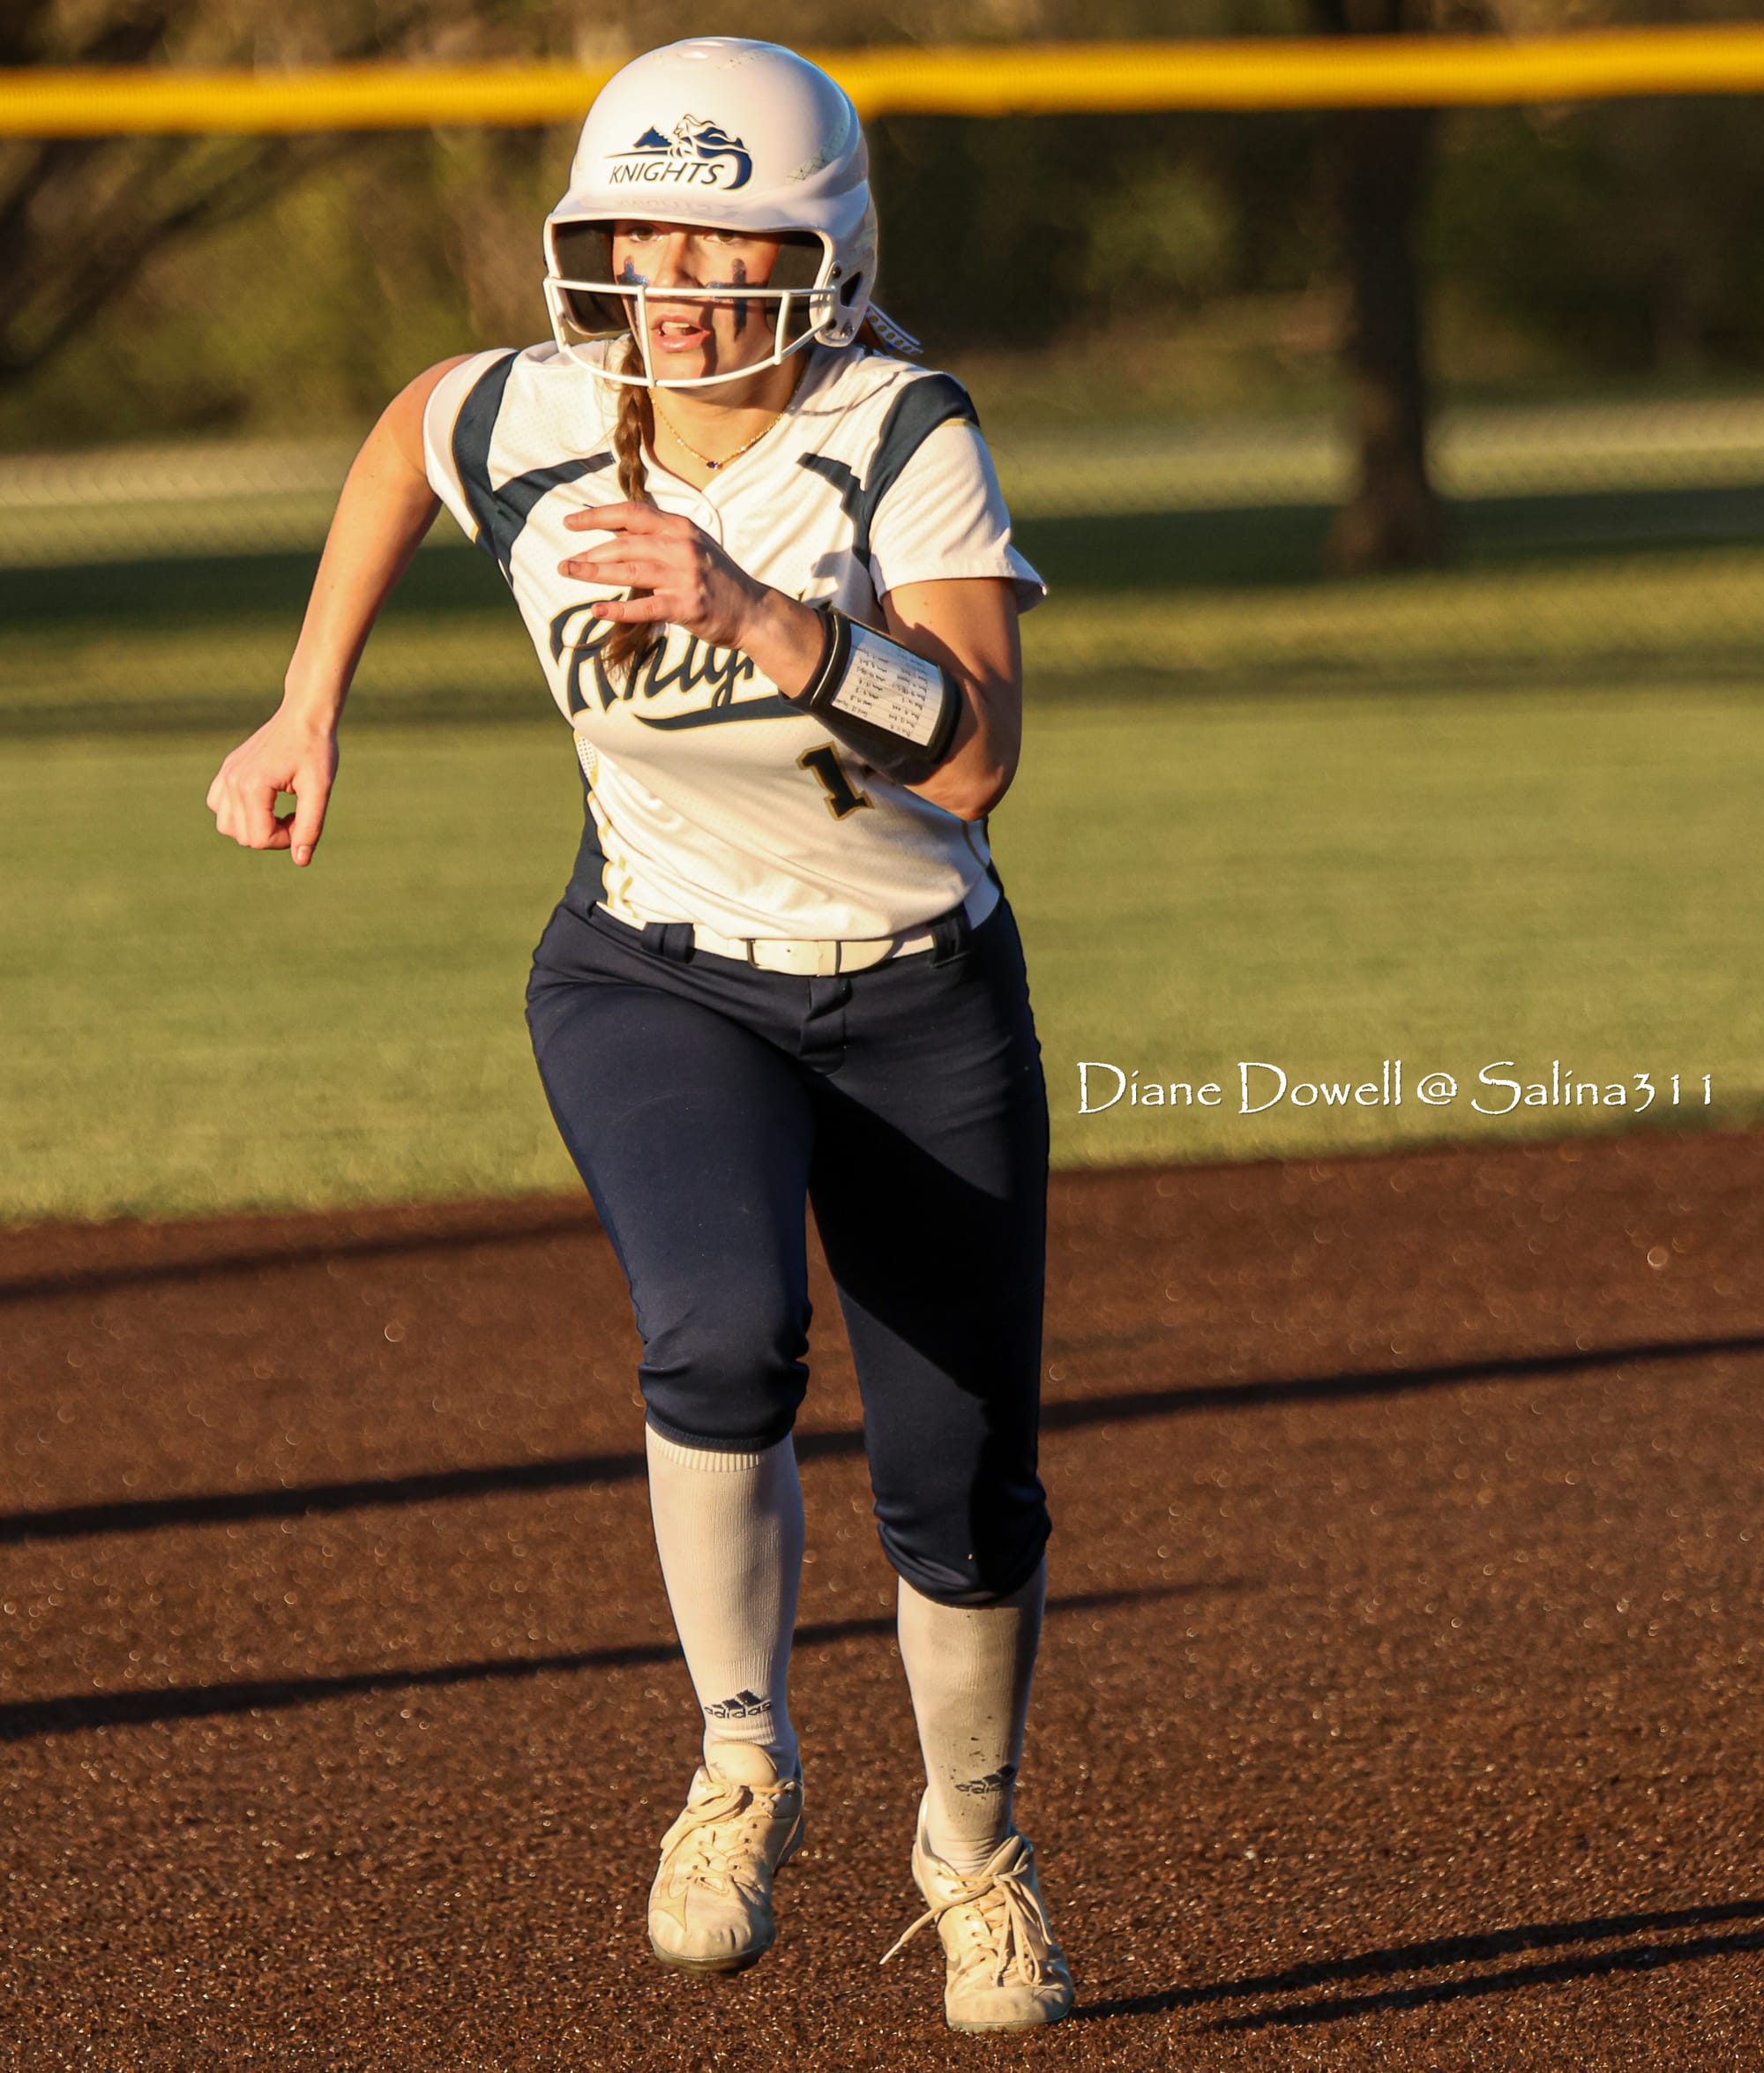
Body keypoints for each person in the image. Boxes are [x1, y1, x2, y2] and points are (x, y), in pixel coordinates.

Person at [205, 36, 1072, 2035]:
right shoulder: (531, 409)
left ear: (822, 253)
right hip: (655, 973)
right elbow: (406, 434)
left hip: (917, 998)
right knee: (720, 1333)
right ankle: (739, 1761)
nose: (669, 282)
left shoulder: (894, 426)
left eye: (718, 239)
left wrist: (763, 613)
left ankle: (971, 1849)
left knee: (961, 1488)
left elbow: (976, 755)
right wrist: (307, 698)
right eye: (636, 235)